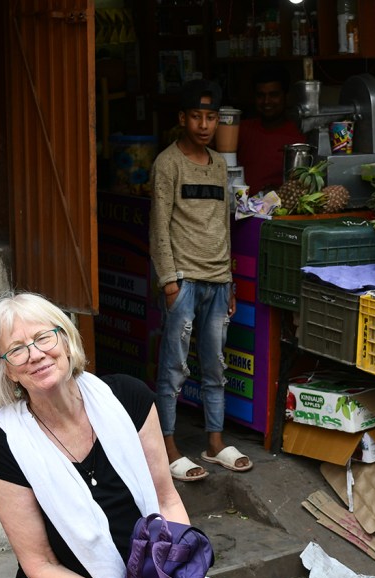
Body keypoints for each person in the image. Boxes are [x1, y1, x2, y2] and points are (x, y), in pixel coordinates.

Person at [0, 291, 278, 578]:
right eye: (16, 350)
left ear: (66, 340)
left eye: (43, 338)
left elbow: (167, 501)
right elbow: (41, 566)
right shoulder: (6, 446)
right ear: (8, 371)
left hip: (154, 573)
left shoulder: (126, 397)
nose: (35, 354)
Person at [150, 78, 253, 482]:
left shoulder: (219, 164)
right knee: (174, 369)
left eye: (211, 117)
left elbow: (223, 225)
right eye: (197, 116)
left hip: (216, 281)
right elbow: (159, 224)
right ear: (183, 119)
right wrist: (169, 282)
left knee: (215, 366)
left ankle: (214, 443)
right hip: (184, 281)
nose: (205, 124)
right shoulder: (167, 163)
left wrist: (229, 279)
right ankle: (169, 446)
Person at [237, 64, 306, 196]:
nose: (266, 101)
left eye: (274, 95)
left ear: (286, 96)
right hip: (242, 211)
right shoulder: (241, 130)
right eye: (260, 95)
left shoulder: (299, 137)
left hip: (283, 212)